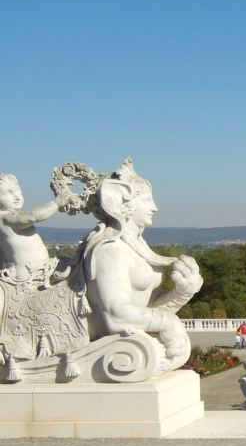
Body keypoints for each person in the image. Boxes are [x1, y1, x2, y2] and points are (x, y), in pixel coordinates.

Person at [80, 157, 203, 371]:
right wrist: (168, 323)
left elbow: (146, 309)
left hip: (131, 345)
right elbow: (115, 315)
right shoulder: (109, 250)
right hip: (112, 344)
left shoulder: (136, 247)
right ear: (123, 203)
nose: (154, 207)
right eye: (147, 200)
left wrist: (182, 293)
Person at [0, 173, 72, 282]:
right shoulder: (6, 219)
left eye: (18, 191)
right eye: (9, 192)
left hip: (42, 269)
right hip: (31, 275)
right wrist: (56, 204)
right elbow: (33, 216)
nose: (17, 197)